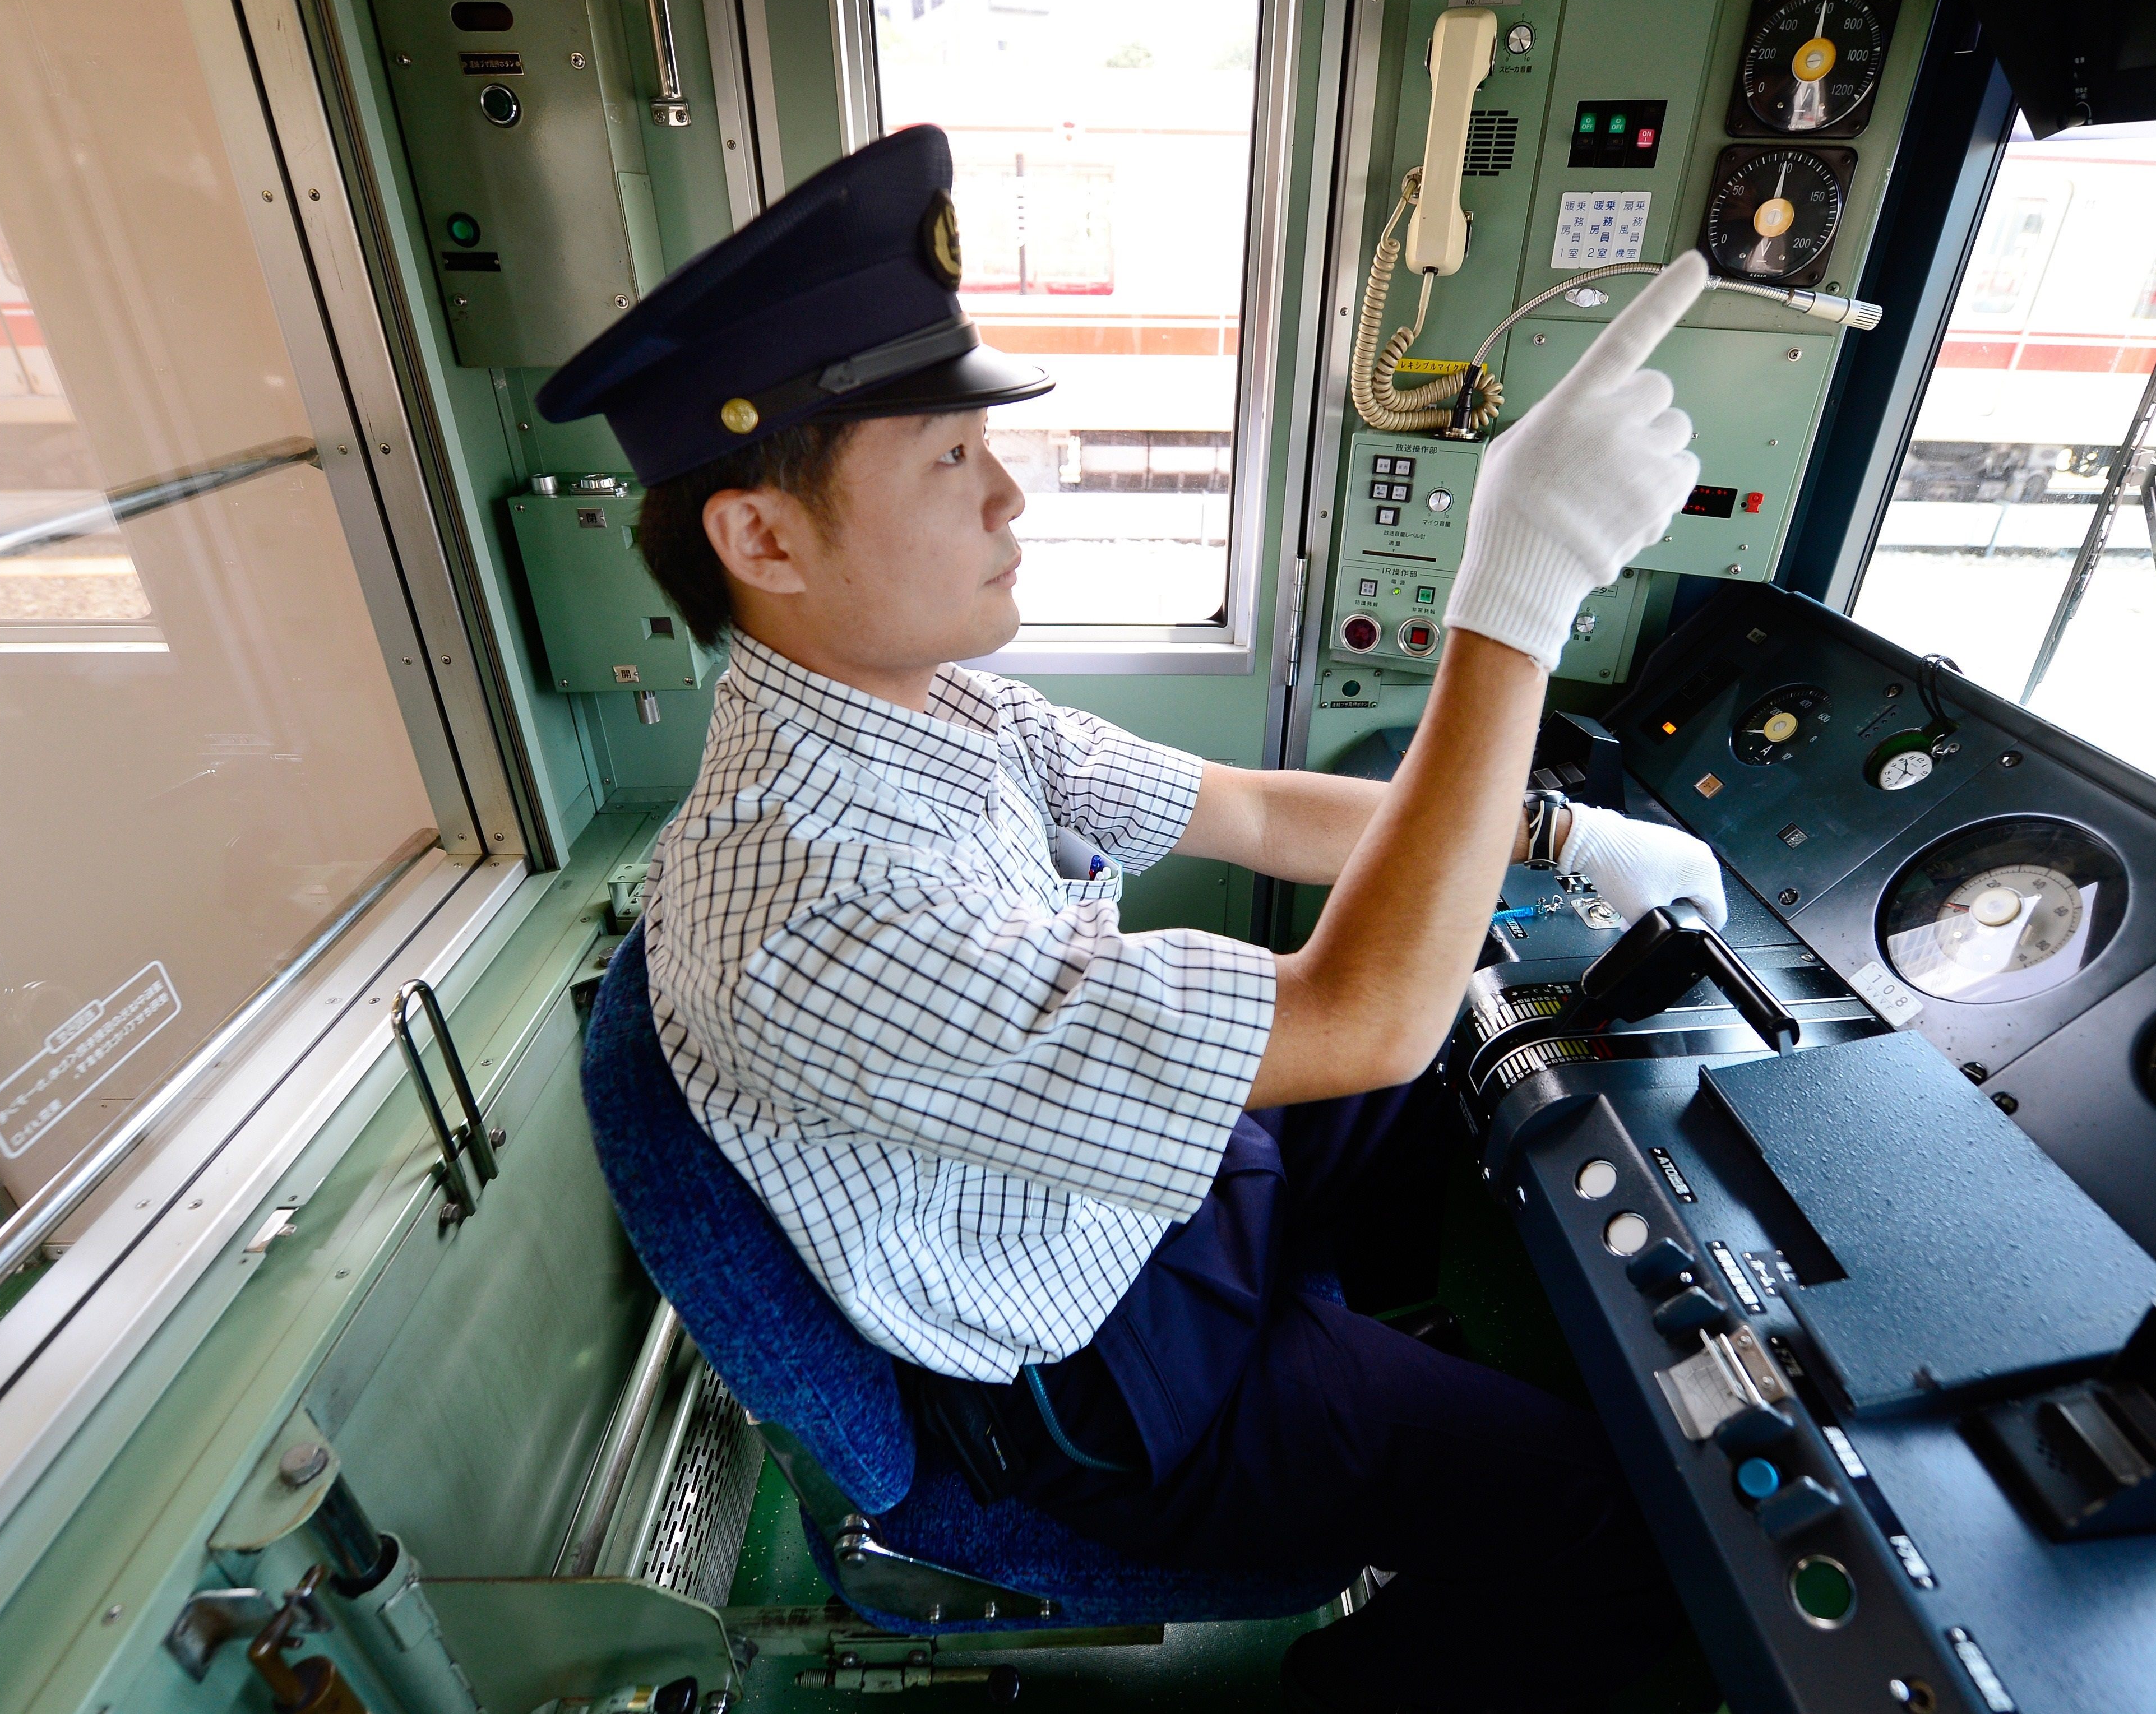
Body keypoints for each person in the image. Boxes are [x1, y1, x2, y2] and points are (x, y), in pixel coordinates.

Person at [540, 125, 1727, 1710]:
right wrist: (1517, 594)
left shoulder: (932, 710)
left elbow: (1247, 810)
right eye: (949, 460)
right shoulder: (812, 915)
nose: (1010, 496)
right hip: (1117, 1381)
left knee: (1462, 1030)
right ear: (760, 538)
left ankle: (1390, 1378)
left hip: (1141, 1211)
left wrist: (1565, 834)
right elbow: (1349, 1013)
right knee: (1645, 1536)